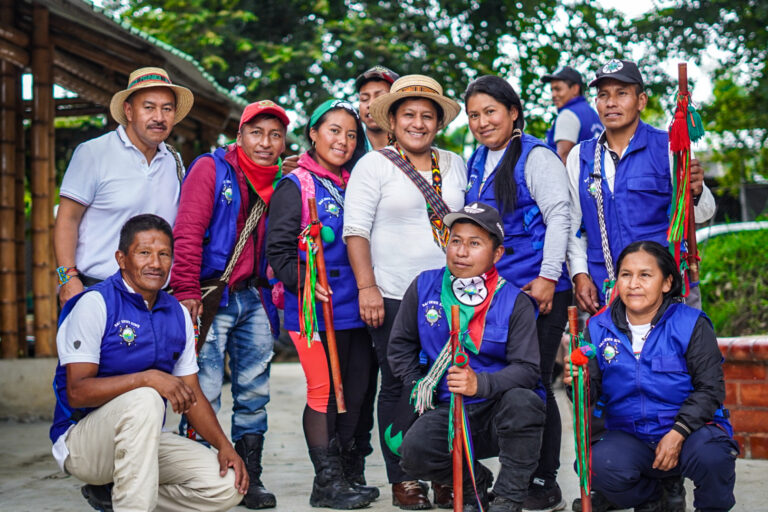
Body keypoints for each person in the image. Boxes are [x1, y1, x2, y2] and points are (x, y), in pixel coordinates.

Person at [50, 214, 246, 512]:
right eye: (144, 253)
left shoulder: (177, 314)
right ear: (122, 258)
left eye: (164, 254)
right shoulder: (95, 303)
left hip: (142, 439)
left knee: (226, 486)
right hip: (84, 443)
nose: (155, 263)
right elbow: (77, 392)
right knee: (146, 398)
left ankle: (120, 495)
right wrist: (147, 378)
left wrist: (224, 445)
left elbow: (191, 395)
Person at [344, 74, 466, 510]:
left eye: (427, 116)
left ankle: (447, 475)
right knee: (398, 385)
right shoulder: (373, 164)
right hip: (392, 293)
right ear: (392, 121)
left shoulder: (455, 163)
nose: (418, 123)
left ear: (438, 123)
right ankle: (405, 479)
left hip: (448, 296)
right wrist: (367, 287)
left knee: (448, 385)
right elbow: (355, 231)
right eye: (409, 115)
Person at [388, 202, 546, 512]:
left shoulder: (515, 301)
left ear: (496, 254)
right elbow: (400, 345)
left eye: (475, 244)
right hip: (448, 407)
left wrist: (481, 384)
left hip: (498, 408)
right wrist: (421, 385)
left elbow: (527, 370)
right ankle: (476, 484)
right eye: (456, 240)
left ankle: (507, 498)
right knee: (414, 453)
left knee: (525, 403)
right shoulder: (424, 286)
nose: (461, 251)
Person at [170, 100, 288, 509]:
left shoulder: (281, 180)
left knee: (255, 392)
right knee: (203, 391)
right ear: (239, 136)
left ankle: (249, 477)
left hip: (253, 297)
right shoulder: (210, 168)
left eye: (275, 135)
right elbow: (186, 232)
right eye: (256, 133)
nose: (265, 143)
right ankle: (207, 476)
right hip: (209, 295)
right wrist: (186, 291)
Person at [564, 241, 737, 512]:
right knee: (594, 466)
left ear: (667, 283)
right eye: (626, 275)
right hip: (629, 435)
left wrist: (678, 433)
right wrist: (577, 383)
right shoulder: (598, 327)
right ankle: (652, 496)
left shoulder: (691, 323)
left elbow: (710, 389)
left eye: (645, 275)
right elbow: (589, 396)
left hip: (690, 433)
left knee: (713, 457)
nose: (634, 284)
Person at [463, 75, 570, 511]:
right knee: (512, 385)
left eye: (490, 111)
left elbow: (560, 216)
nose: (482, 122)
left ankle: (544, 482)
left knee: (536, 382)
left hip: (538, 288)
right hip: (500, 295)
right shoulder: (478, 159)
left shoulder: (537, 156)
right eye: (474, 115)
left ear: (513, 112)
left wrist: (547, 277)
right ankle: (513, 476)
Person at [266, 99, 374, 509]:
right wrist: (305, 284)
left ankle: (345, 476)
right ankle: (325, 481)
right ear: (313, 133)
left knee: (356, 392)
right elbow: (278, 252)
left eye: (350, 134)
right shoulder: (295, 186)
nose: (343, 141)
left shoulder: (356, 182)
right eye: (333, 131)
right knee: (324, 391)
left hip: (356, 307)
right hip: (314, 309)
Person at [566, 59, 716, 313]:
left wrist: (697, 190)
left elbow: (703, 214)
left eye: (621, 93)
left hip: (666, 288)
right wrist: (579, 275)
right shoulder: (580, 156)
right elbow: (573, 226)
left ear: (641, 101)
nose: (611, 103)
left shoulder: (669, 147)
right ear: (597, 103)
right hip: (607, 289)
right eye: (604, 95)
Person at [54, 67, 192, 306]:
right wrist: (67, 278)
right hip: (97, 291)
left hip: (158, 299)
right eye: (148, 107)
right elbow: (67, 219)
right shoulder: (93, 153)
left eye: (167, 108)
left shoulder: (174, 161)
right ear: (128, 111)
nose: (159, 117)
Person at [541, 66, 602, 163]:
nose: (553, 95)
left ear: (574, 89)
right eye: (552, 90)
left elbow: (563, 157)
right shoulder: (594, 115)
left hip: (574, 177)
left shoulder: (568, 115)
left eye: (558, 89)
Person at [356, 65, 400, 151]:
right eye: (364, 99)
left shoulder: (412, 148)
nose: (371, 104)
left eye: (380, 97)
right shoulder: (348, 149)